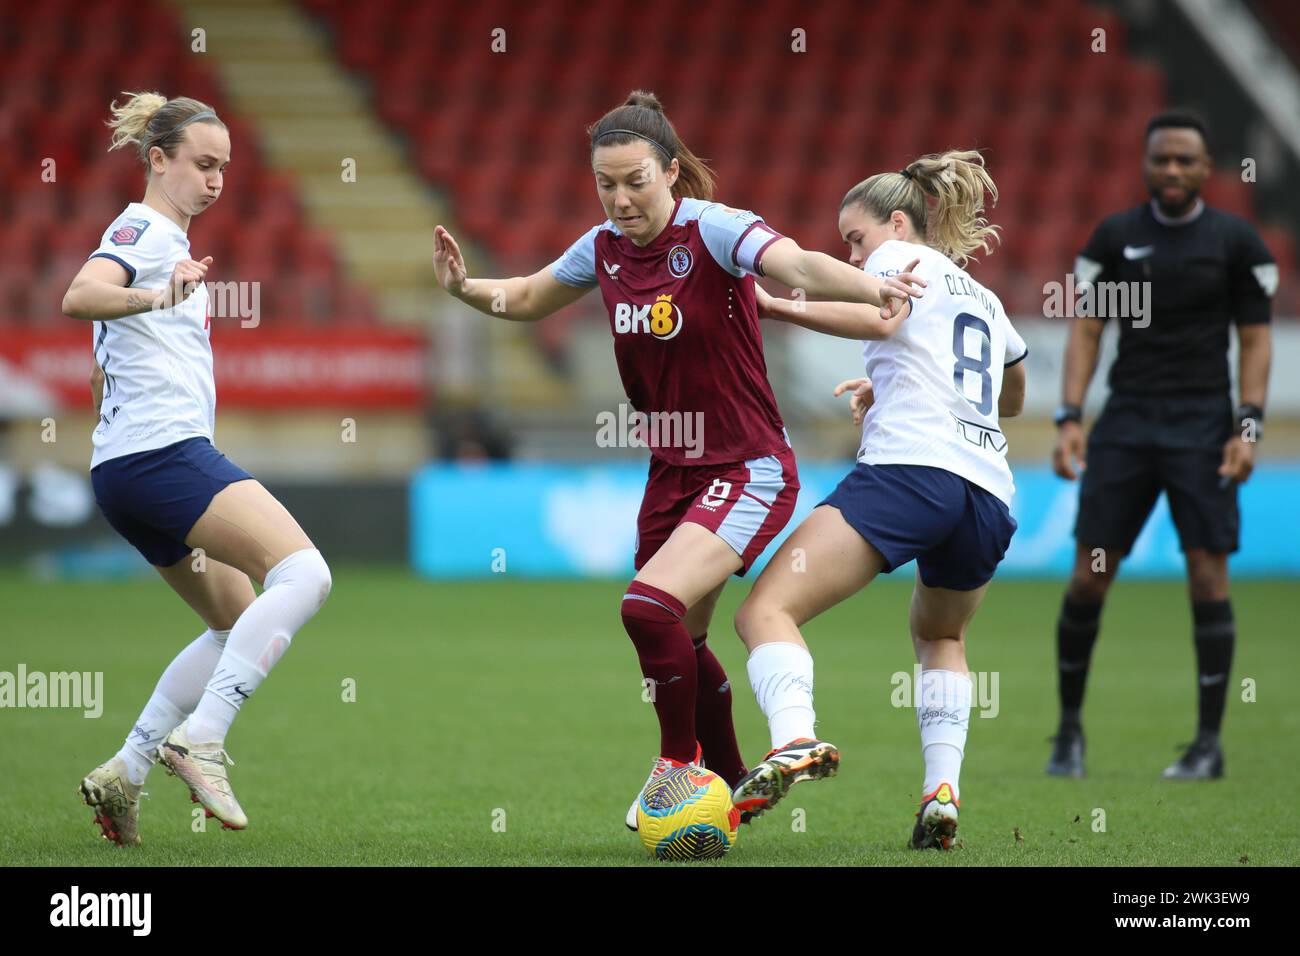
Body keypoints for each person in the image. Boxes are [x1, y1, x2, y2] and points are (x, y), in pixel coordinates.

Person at [431, 90, 920, 830]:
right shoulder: (601, 247)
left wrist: (872, 284)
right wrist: (466, 289)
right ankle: (726, 780)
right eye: (606, 183)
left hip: (747, 464)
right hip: (672, 471)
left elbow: (798, 264)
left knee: (645, 607)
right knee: (682, 639)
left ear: (670, 172)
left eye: (636, 180)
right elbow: (530, 296)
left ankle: (675, 768)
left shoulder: (714, 230)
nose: (621, 198)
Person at [730, 151, 1026, 850]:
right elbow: (1011, 393)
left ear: (897, 222)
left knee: (765, 610)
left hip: (910, 474)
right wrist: (891, 383)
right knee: (943, 637)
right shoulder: (986, 299)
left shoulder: (897, 262)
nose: (851, 255)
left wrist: (776, 303)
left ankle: (794, 739)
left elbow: (879, 316)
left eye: (854, 239)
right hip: (987, 492)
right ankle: (941, 792)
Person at [64, 92, 332, 845]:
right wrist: (156, 294)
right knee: (306, 576)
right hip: (163, 456)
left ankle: (128, 767)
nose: (216, 181)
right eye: (202, 164)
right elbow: (80, 294)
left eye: (224, 168)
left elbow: (99, 366)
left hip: (123, 468)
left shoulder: (164, 240)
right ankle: (202, 738)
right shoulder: (145, 230)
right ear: (158, 160)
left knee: (236, 621)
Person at [1047, 111, 1274, 780]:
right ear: (1145, 166)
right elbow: (1087, 331)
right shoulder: (1118, 238)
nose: (1171, 171)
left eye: (1184, 161)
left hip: (1204, 426)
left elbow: (1256, 342)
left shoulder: (1237, 243)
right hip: (1126, 425)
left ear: (1207, 169)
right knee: (1089, 577)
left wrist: (1248, 425)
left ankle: (1208, 746)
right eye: (1161, 160)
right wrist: (1069, 416)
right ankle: (1067, 735)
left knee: (1208, 575)